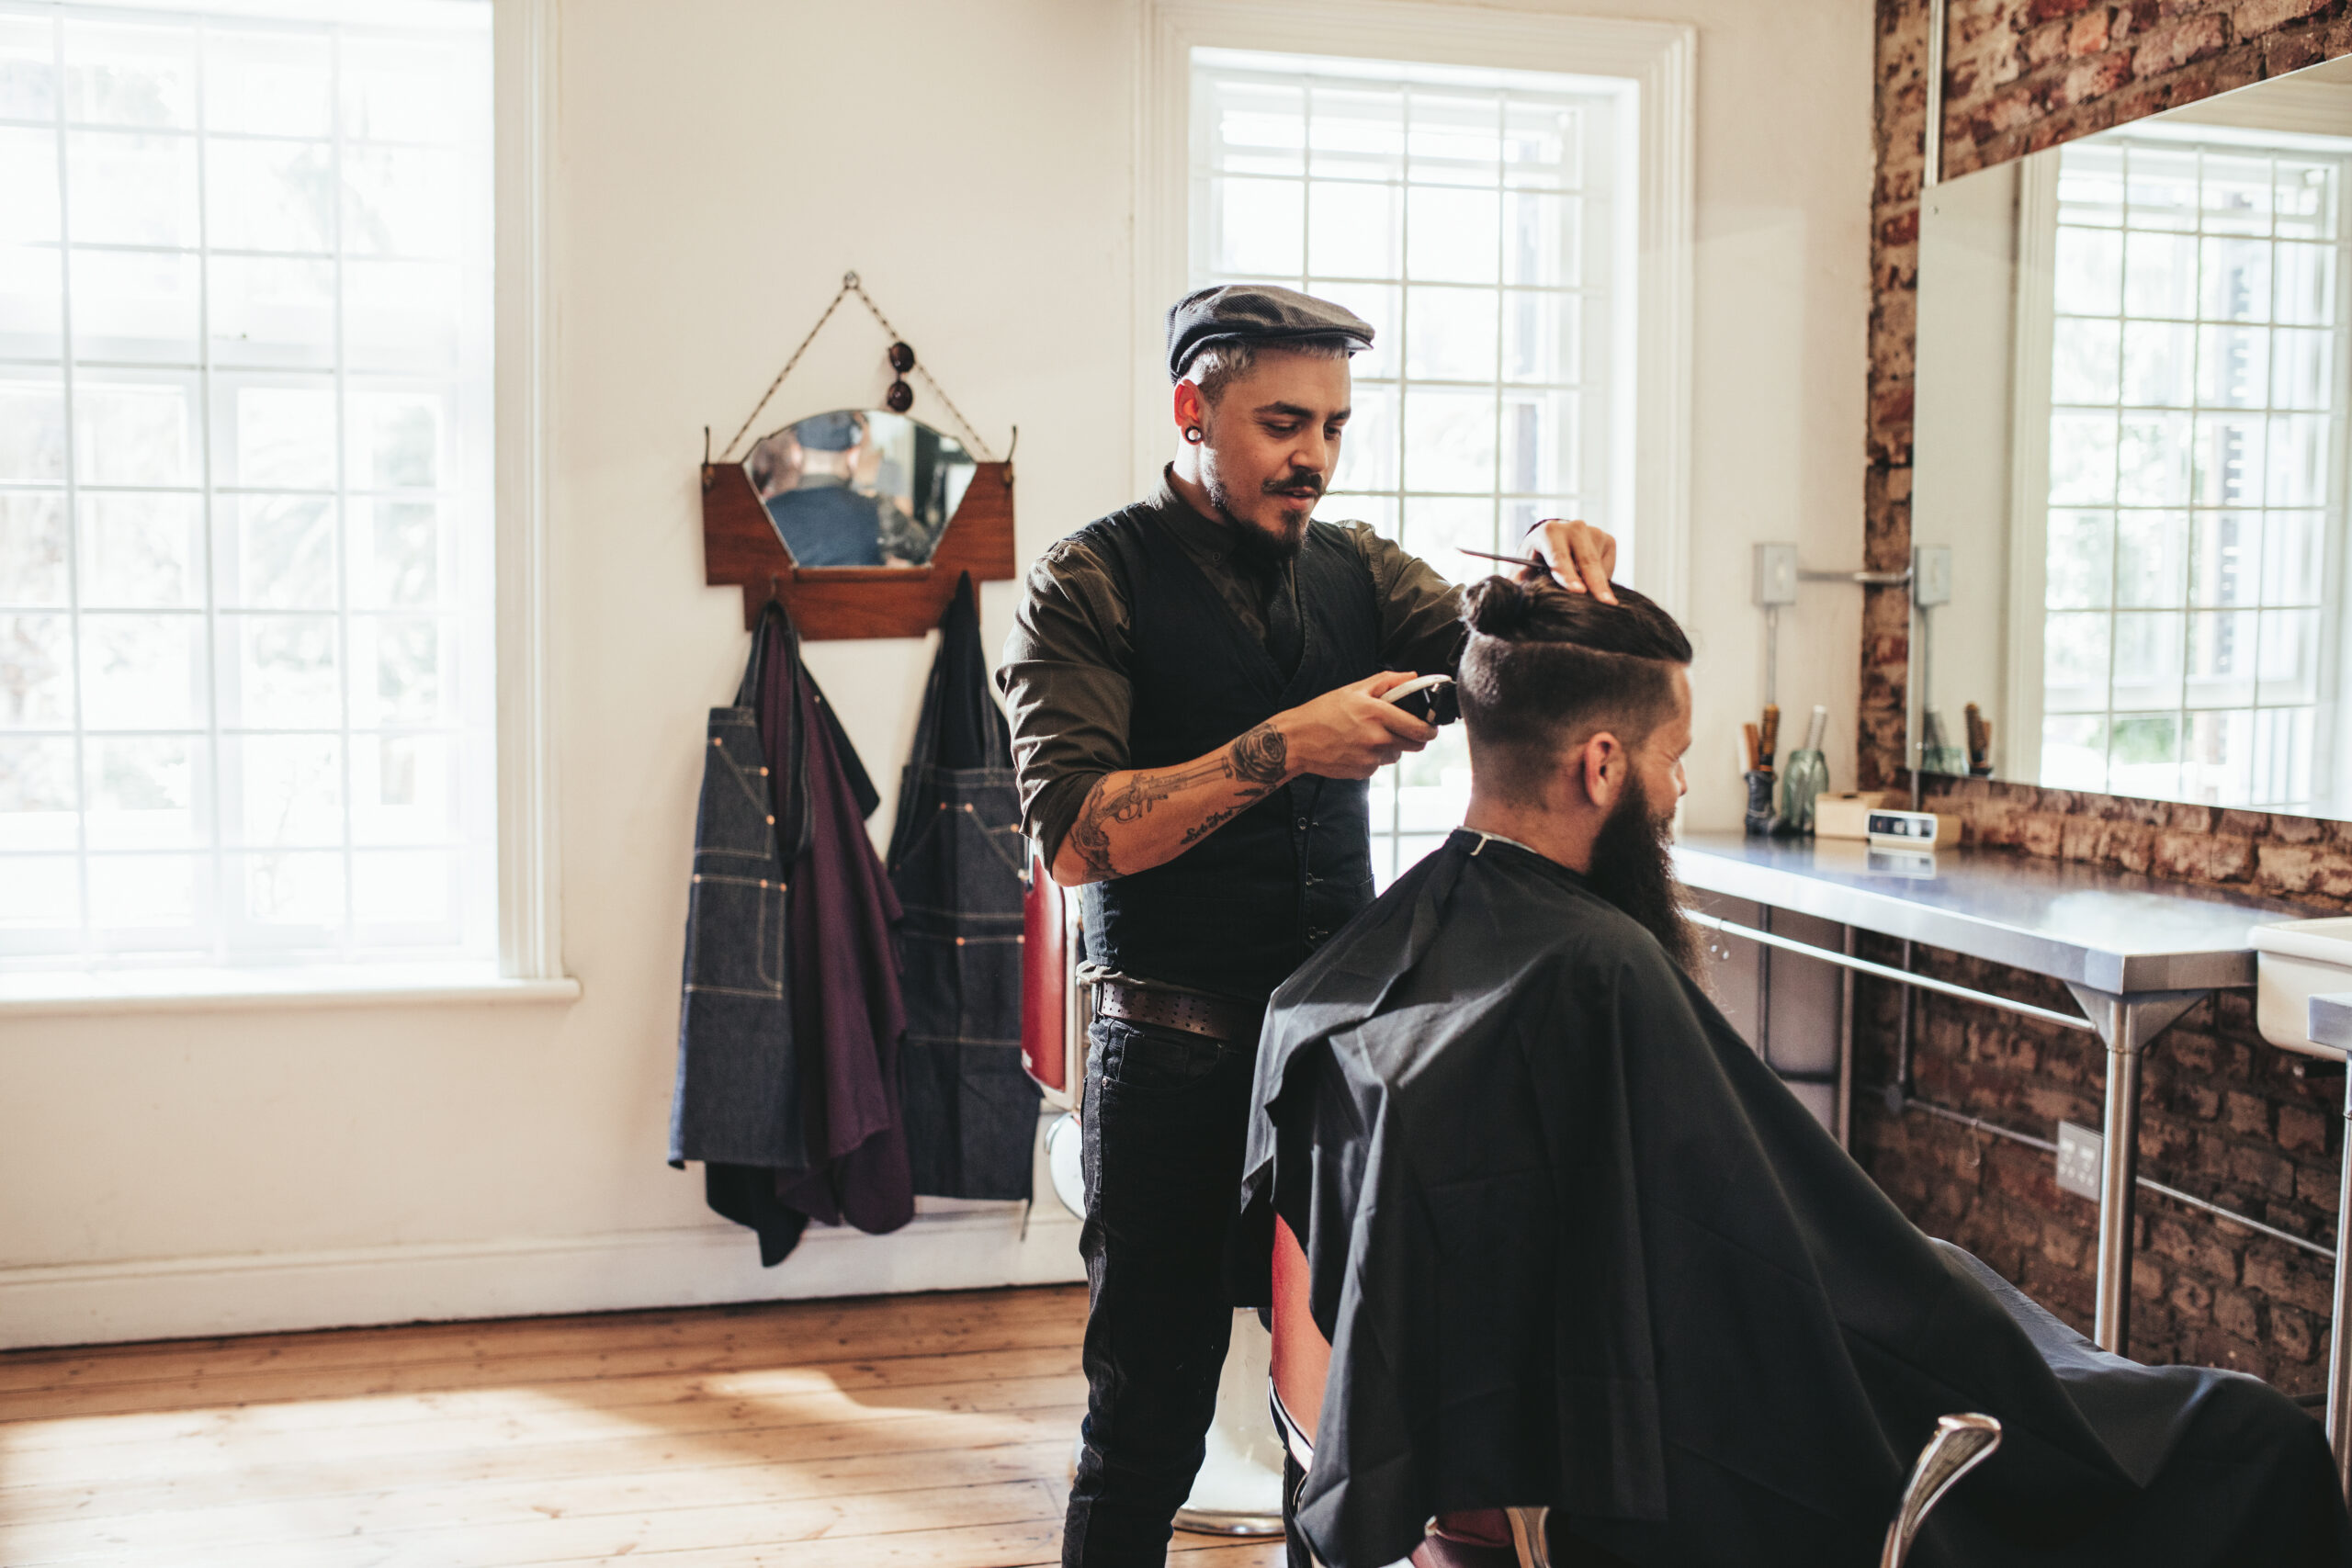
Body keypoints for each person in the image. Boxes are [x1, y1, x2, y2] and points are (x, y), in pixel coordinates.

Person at [1243, 575, 2351, 1568]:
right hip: (1741, 1429)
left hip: (1550, 1421)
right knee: (2245, 1440)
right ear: (1601, 766)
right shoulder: (1593, 970)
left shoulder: (1391, 950)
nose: (1676, 797)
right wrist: (1928, 1288)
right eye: (1674, 762)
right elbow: (1767, 1271)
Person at [995, 283, 1621, 1567]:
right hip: (1165, 1056)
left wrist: (1549, 568)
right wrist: (1285, 748)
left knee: (1334, 1422)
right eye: (1285, 422)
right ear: (1192, 409)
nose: (1317, 458)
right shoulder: (1089, 580)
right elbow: (1072, 833)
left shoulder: (1358, 569)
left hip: (1336, 1062)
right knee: (1144, 1423)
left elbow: (1494, 645)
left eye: (1335, 424)